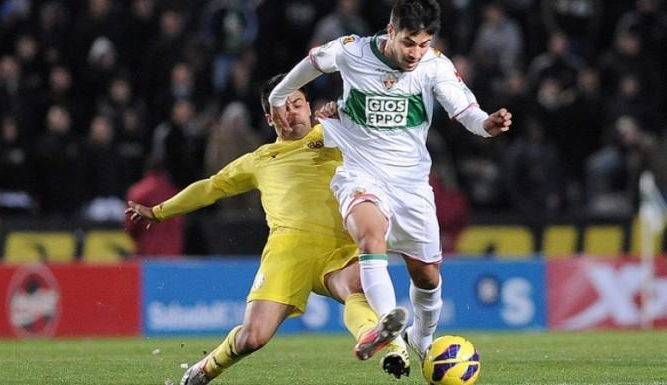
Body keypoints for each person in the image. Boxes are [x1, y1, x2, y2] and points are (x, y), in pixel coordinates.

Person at [126, 74, 411, 385]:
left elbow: (382, 132)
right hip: (288, 253)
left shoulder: (334, 134)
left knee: (357, 287)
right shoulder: (260, 159)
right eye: (284, 108)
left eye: (298, 103)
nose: (293, 112)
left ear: (308, 106)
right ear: (270, 118)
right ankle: (202, 370)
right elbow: (211, 188)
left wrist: (355, 111)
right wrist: (159, 211)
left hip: (339, 248)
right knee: (253, 337)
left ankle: (373, 336)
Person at [269, 0, 511, 363]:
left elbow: (466, 111)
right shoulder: (352, 51)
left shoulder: (434, 66)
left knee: (427, 276)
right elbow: (310, 64)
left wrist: (487, 126)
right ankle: (386, 325)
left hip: (411, 184)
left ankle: (422, 338)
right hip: (360, 173)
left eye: (424, 44)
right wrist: (277, 97)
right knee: (370, 237)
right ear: (391, 31)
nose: (416, 52)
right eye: (410, 42)